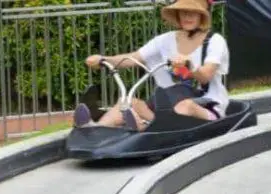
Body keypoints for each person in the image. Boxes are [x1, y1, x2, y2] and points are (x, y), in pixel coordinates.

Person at [73, 0, 229, 130]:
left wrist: (189, 65)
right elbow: (133, 58)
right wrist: (103, 59)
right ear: (177, 15)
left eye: (193, 12)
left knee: (184, 106)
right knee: (128, 103)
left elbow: (207, 74)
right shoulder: (164, 40)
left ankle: (144, 127)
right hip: (168, 105)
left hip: (204, 107)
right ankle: (94, 129)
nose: (187, 16)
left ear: (202, 15)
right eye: (183, 11)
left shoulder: (214, 41)